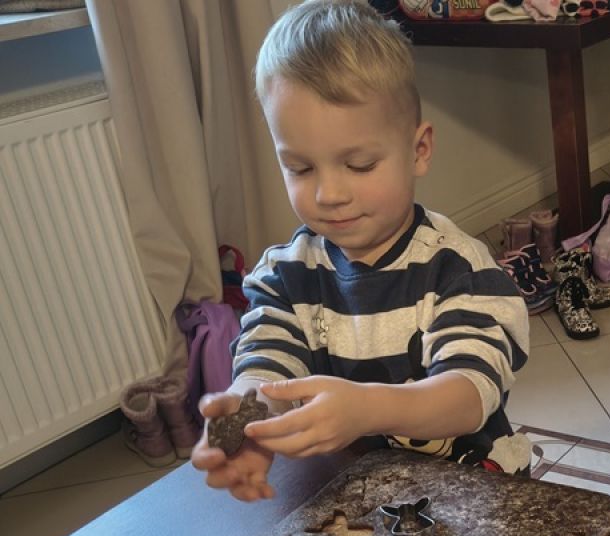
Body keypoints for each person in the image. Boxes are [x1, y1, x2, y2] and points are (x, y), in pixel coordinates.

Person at [192, 0, 530, 502]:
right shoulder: (284, 278)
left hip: (469, 493)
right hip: (353, 495)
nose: (329, 193)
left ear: (418, 150)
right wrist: (247, 420)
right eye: (300, 168)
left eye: (359, 165)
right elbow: (267, 370)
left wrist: (366, 409)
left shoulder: (460, 270)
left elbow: (468, 394)